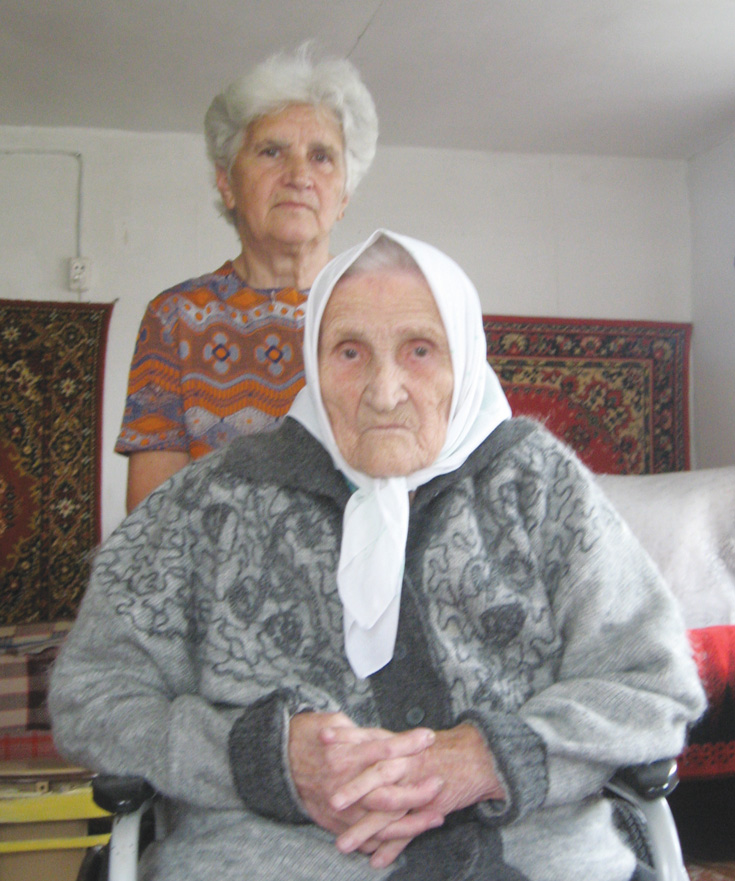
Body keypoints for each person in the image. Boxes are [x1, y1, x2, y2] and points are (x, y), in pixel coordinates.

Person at [50, 230, 706, 881]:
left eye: (419, 350)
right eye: (349, 352)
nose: (383, 390)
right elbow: (93, 694)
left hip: (536, 859)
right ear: (312, 364)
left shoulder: (538, 483)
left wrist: (493, 757)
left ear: (465, 359)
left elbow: (653, 682)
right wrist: (262, 758)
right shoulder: (211, 500)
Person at [115, 44, 378, 512]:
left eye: (322, 157)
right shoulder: (176, 318)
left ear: (343, 197)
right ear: (228, 183)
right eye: (271, 151)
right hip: (216, 558)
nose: (299, 175)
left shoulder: (385, 308)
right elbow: (151, 518)